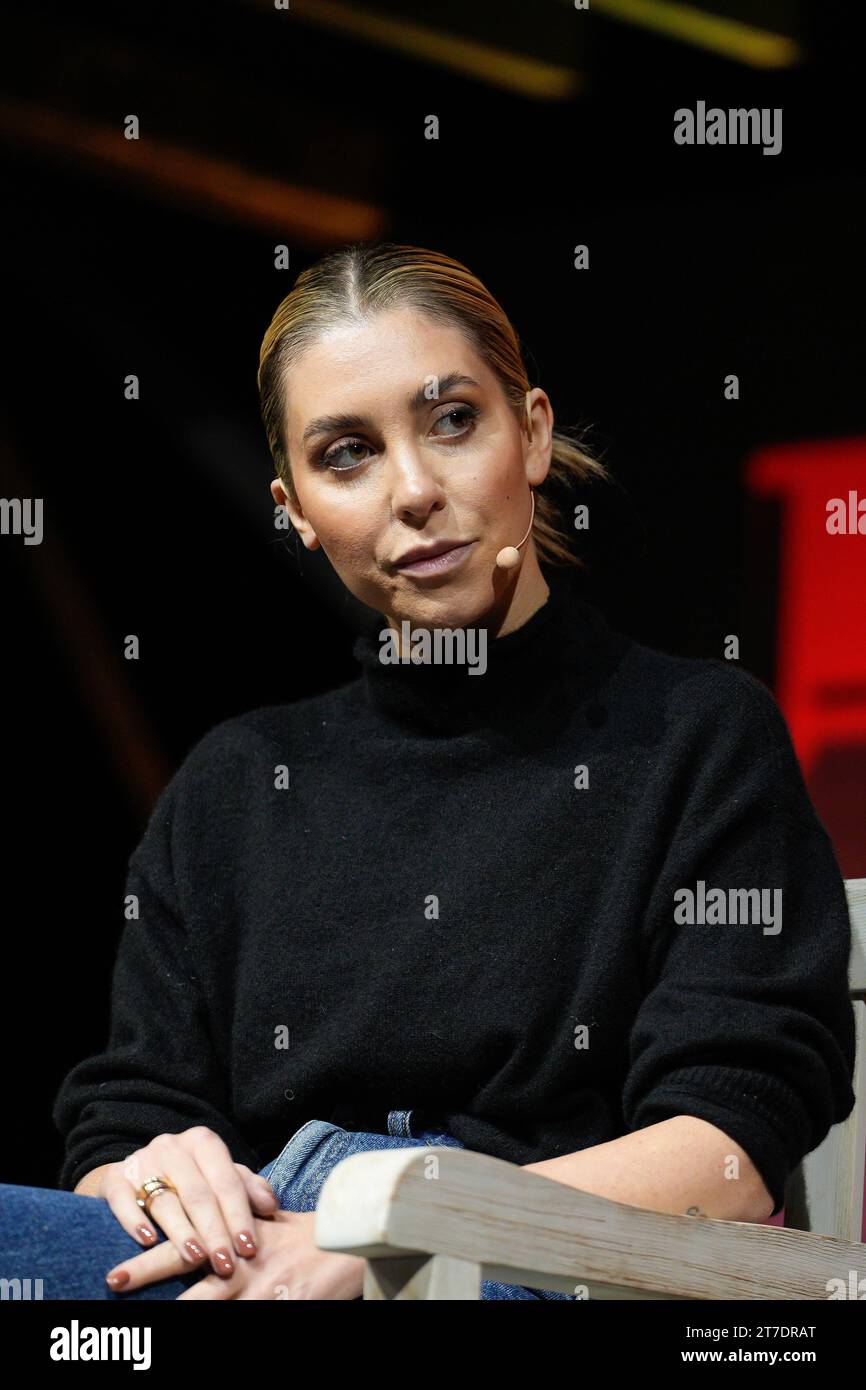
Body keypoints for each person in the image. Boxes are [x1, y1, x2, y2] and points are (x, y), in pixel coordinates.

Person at [2, 242, 856, 1301]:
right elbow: (125, 1113)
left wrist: (399, 1231)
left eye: (452, 419)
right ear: (296, 510)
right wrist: (150, 1170)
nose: (412, 490)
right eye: (347, 453)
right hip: (252, 1254)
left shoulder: (692, 735)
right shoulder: (236, 783)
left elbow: (732, 1134)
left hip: (546, 1261)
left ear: (532, 432)